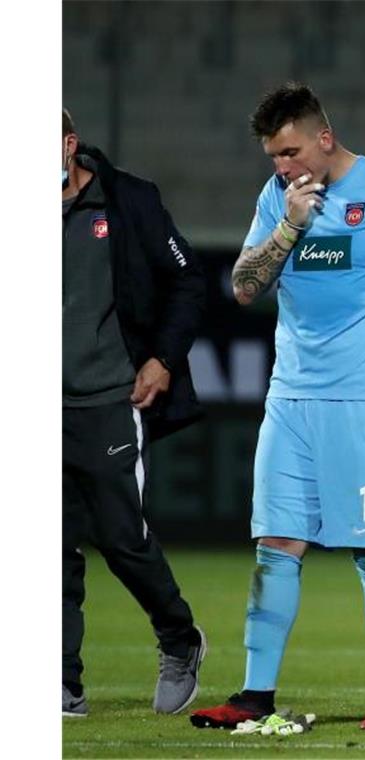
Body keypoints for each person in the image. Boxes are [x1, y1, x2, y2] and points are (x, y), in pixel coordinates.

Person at [190, 82, 365, 732]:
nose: (281, 164)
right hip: (291, 398)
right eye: (273, 155)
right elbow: (245, 286)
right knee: (276, 544)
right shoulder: (279, 199)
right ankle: (255, 695)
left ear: (324, 139)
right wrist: (290, 224)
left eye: (290, 149)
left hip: (362, 400)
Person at [62, 108, 208, 718]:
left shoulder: (127, 201)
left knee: (123, 539)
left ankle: (180, 639)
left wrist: (163, 359)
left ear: (67, 145)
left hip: (109, 398)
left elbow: (188, 282)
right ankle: (60, 682)